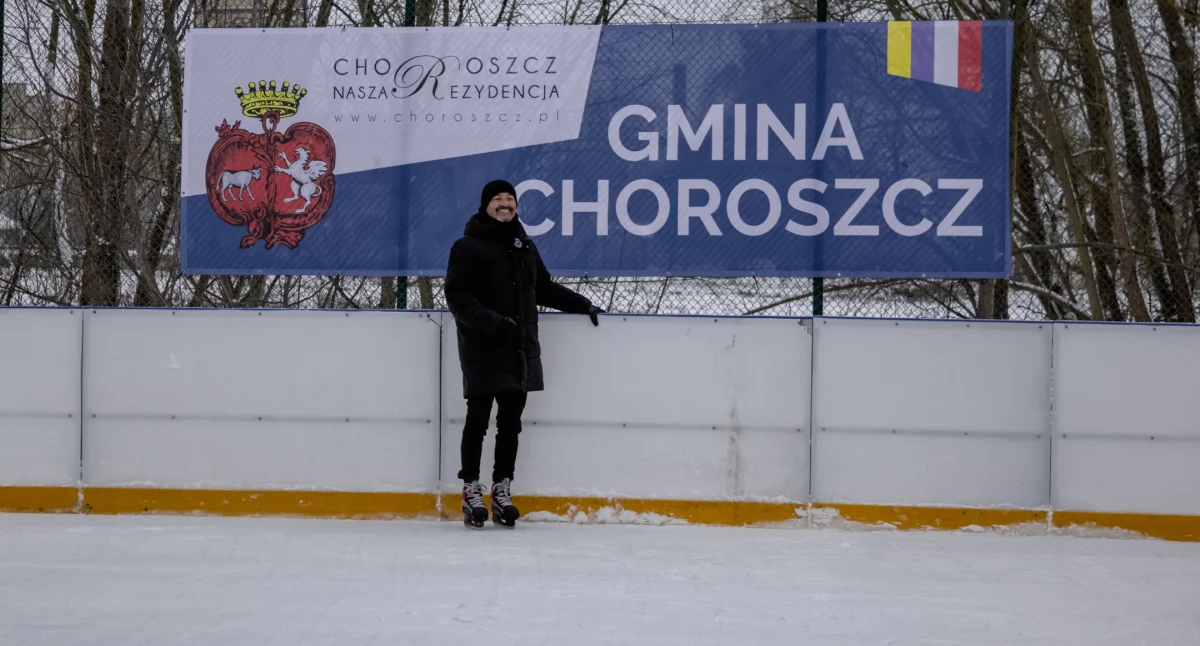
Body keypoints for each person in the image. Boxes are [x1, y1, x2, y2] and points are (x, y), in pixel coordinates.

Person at [445, 179, 603, 529]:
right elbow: (457, 296)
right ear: (486, 206)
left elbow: (542, 287)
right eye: (498, 199)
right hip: (484, 346)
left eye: (510, 198)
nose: (505, 203)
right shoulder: (467, 246)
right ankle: (471, 489)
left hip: (519, 349)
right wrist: (493, 323)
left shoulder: (524, 246)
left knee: (510, 425)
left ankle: (502, 490)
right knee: (478, 419)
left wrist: (583, 304)